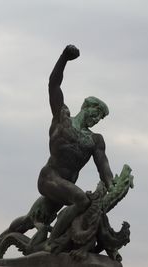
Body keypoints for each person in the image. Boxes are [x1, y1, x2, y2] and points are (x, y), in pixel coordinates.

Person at [38, 45, 113, 241]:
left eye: (100, 118)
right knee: (81, 199)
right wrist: (64, 57)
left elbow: (104, 170)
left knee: (33, 218)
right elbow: (53, 85)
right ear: (86, 107)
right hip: (49, 178)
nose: (97, 119)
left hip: (66, 186)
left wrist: (115, 187)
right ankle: (52, 244)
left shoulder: (95, 140)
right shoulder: (62, 118)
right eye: (96, 113)